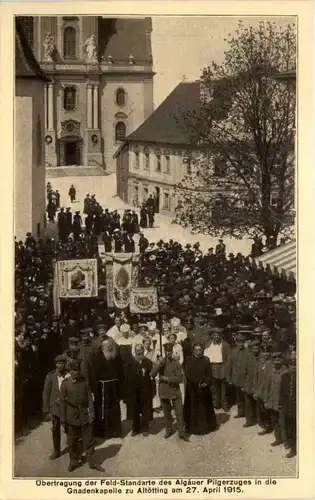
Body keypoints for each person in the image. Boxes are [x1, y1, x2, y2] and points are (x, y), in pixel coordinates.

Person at [59, 359, 105, 473]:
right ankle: (74, 461)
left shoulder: (84, 382)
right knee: (72, 441)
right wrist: (63, 419)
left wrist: (92, 413)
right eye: (74, 370)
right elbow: (62, 402)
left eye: (78, 370)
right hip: (71, 415)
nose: (77, 372)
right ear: (70, 371)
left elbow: (90, 398)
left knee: (88, 440)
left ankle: (93, 462)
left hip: (84, 414)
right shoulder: (65, 384)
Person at [150, 343, 189, 441]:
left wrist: (167, 379)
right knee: (167, 414)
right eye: (166, 351)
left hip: (175, 391)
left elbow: (180, 378)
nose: (168, 353)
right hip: (164, 391)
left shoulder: (176, 363)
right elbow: (152, 374)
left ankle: (181, 432)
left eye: (170, 351)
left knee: (179, 413)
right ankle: (169, 430)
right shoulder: (160, 362)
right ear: (164, 351)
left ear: (172, 351)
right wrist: (159, 364)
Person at [88, 338, 123, 438]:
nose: (110, 347)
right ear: (103, 348)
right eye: (108, 346)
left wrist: (121, 388)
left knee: (115, 408)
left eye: (111, 345)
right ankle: (106, 432)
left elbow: (121, 373)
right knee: (104, 409)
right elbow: (94, 375)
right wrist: (95, 390)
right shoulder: (97, 358)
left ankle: (116, 431)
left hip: (114, 386)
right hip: (102, 387)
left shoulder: (116, 357)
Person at [184, 343, 217, 435]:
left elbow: (209, 374)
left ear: (202, 350)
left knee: (204, 407)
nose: (198, 352)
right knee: (193, 407)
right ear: (193, 350)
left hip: (203, 388)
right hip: (192, 388)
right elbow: (187, 373)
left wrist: (206, 383)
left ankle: (205, 427)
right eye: (196, 350)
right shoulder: (189, 359)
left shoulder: (206, 360)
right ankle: (193, 428)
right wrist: (196, 383)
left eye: (200, 350)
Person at [42, 354, 70, 460]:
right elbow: (46, 393)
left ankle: (74, 450)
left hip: (68, 407)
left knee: (70, 429)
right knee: (55, 430)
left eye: (63, 363)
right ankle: (57, 451)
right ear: (55, 364)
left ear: (65, 363)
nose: (61, 365)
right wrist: (46, 410)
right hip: (55, 408)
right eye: (58, 363)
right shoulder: (51, 376)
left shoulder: (69, 374)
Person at [124, 344, 153, 436]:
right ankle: (136, 428)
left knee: (145, 408)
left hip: (145, 389)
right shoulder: (130, 362)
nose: (139, 353)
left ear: (143, 351)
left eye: (141, 351)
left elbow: (151, 376)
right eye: (137, 351)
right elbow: (127, 378)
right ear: (135, 352)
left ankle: (145, 427)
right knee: (134, 408)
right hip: (133, 390)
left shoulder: (148, 362)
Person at [264, 350, 288, 447]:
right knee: (274, 420)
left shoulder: (286, 372)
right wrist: (265, 400)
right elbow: (267, 386)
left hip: (281, 402)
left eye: (278, 360)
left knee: (283, 422)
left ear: (281, 360)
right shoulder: (271, 371)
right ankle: (278, 439)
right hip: (272, 400)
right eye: (275, 360)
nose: (277, 362)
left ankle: (285, 440)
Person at [204, 328, 230, 411]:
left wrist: (227, 368)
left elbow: (229, 358)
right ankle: (216, 403)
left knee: (223, 386)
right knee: (214, 386)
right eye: (214, 335)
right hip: (212, 366)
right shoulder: (208, 344)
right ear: (211, 336)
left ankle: (224, 404)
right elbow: (205, 357)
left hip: (222, 366)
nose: (216, 337)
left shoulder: (225, 345)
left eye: (218, 335)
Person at [226, 333, 249, 419]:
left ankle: (248, 414)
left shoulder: (248, 352)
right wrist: (228, 378)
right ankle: (241, 412)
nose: (240, 344)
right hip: (236, 379)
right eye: (238, 342)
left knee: (247, 397)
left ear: (244, 343)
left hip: (246, 379)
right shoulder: (232, 352)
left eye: (242, 342)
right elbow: (229, 366)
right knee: (239, 397)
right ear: (236, 343)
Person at [279, 349, 296, 458]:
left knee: (296, 428)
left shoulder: (302, 377)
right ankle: (291, 444)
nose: (293, 367)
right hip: (287, 406)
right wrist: (281, 405)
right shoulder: (285, 376)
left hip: (297, 406)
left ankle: (294, 449)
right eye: (291, 365)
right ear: (288, 366)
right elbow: (281, 392)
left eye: (295, 365)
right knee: (289, 426)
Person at [243, 339, 261, 427]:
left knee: (258, 403)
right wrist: (244, 384)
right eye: (253, 348)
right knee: (248, 402)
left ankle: (259, 420)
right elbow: (244, 371)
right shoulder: (248, 357)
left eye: (256, 348)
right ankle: (249, 420)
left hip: (259, 384)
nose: (255, 350)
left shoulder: (262, 358)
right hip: (249, 383)